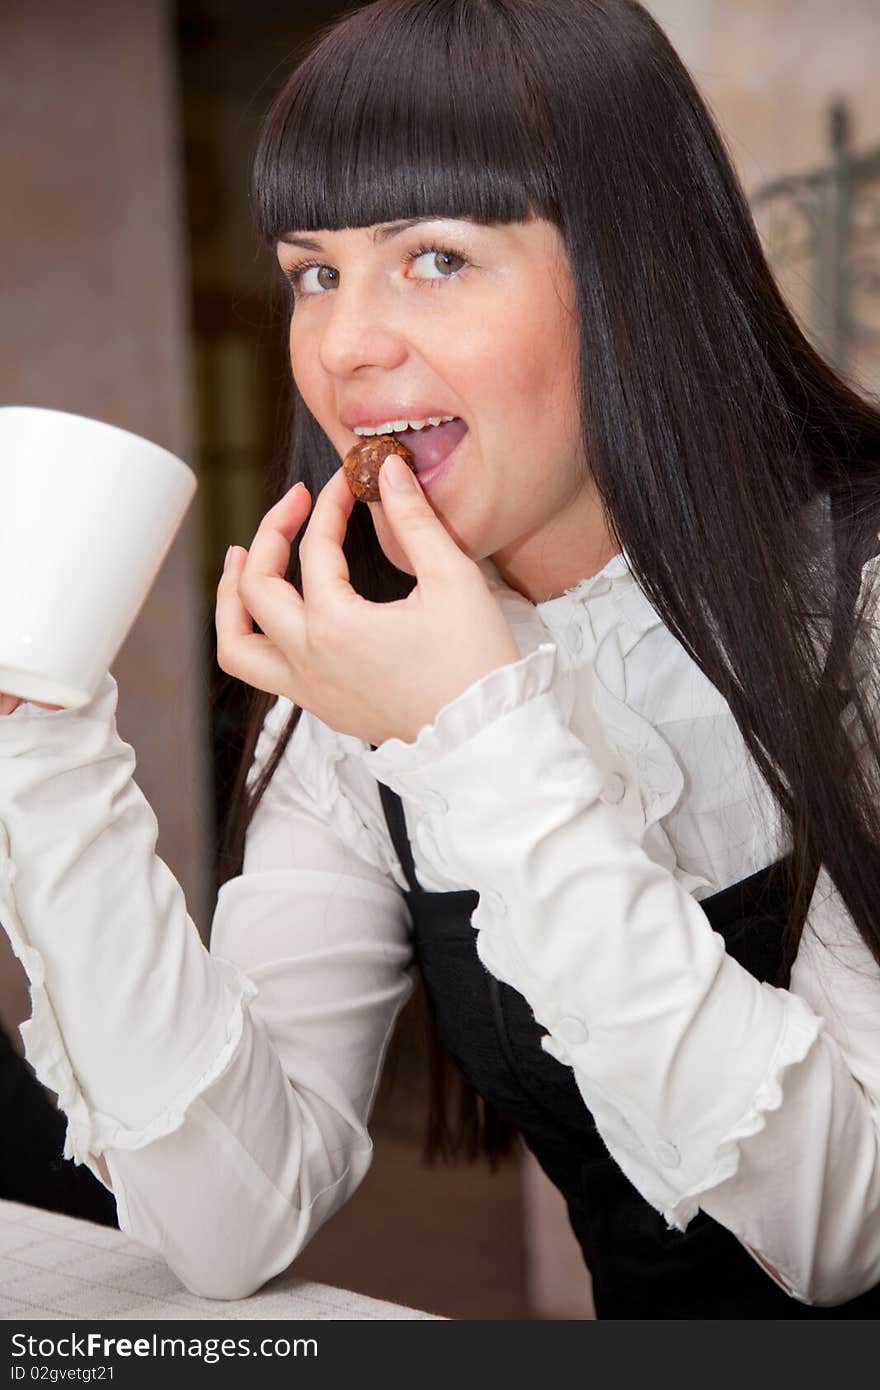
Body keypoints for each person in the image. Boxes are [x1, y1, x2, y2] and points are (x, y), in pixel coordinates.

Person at [2, 0, 880, 1318]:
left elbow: (839, 1225)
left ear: (630, 268)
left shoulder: (855, 603)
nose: (346, 345)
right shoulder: (365, 673)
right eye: (316, 271)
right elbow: (231, 1217)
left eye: (434, 259)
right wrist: (41, 738)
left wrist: (482, 730)